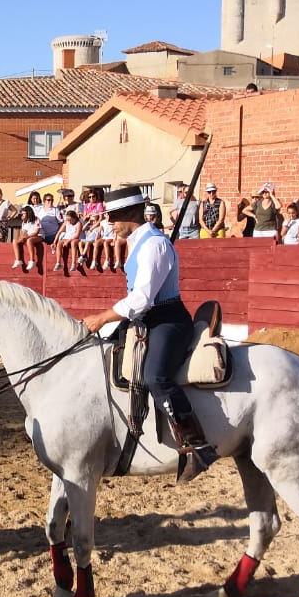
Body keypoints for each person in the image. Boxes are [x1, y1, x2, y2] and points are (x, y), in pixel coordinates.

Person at [81, 185, 219, 484]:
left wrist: (103, 316)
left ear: (131, 214)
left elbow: (142, 298)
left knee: (157, 377)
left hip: (167, 319)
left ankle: (197, 444)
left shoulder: (154, 244)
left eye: (113, 217)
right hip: (148, 317)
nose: (109, 223)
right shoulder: (139, 241)